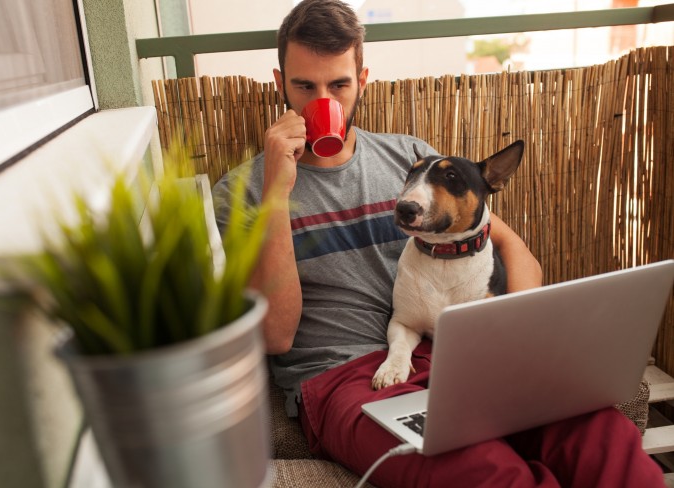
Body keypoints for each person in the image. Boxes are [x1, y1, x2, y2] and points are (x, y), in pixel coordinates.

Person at [212, 1, 665, 486]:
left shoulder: (412, 159)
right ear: (279, 82)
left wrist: (517, 335)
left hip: (456, 354)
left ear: (362, 79)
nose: (324, 100)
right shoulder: (241, 193)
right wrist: (279, 189)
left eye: (339, 85)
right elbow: (276, 335)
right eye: (305, 86)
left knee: (600, 433)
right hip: (343, 379)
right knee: (486, 472)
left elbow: (514, 251)